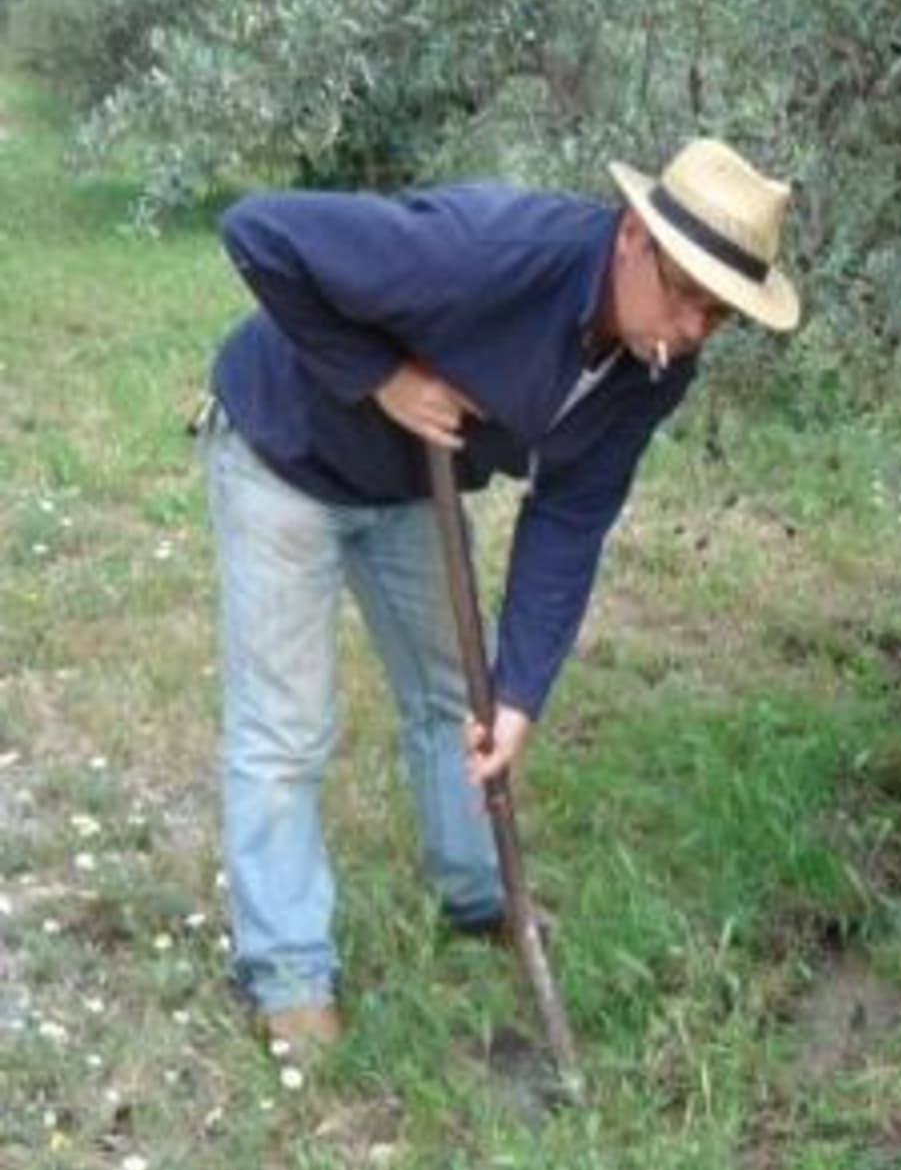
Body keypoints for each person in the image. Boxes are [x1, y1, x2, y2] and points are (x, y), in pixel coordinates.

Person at [200, 137, 799, 1050]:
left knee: (462, 700)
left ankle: (481, 898)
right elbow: (260, 232)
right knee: (287, 725)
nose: (689, 331)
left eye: (717, 316)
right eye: (684, 295)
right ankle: (287, 970)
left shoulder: (654, 369)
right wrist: (384, 378)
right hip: (284, 452)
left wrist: (521, 689)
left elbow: (571, 515)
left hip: (406, 488)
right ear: (633, 238)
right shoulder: (487, 254)